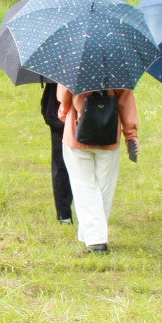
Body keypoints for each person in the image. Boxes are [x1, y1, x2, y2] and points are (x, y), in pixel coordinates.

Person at [58, 84, 138, 254]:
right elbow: (126, 102)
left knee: (83, 186)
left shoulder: (73, 63)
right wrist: (131, 135)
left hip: (76, 133)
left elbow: (64, 96)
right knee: (104, 188)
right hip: (109, 134)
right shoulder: (118, 68)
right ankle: (91, 235)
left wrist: (64, 112)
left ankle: (95, 240)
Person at [40, 81, 74, 225]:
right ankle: (64, 213)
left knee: (62, 163)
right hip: (60, 111)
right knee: (61, 162)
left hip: (68, 111)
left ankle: (66, 214)